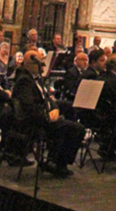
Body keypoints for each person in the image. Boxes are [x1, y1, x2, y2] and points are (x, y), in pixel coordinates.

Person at [12, 49, 84, 177]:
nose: (42, 67)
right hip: (32, 122)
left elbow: (48, 97)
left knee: (69, 107)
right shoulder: (24, 80)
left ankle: (54, 158)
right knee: (77, 129)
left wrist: (55, 108)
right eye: (39, 64)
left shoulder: (35, 78)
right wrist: (48, 116)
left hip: (43, 114)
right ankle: (57, 163)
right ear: (30, 64)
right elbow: (29, 107)